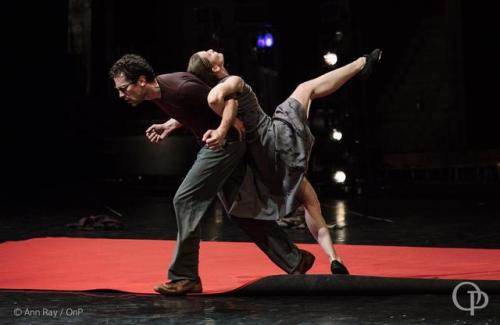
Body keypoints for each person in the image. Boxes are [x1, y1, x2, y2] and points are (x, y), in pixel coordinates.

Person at [108, 54, 316, 296]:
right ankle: (295, 260)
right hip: (221, 143)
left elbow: (229, 102)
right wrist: (169, 125)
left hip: (223, 144)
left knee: (185, 200)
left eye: (124, 88)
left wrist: (223, 127)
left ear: (141, 80)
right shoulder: (161, 92)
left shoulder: (180, 88)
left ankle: (185, 277)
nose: (121, 95)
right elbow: (195, 109)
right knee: (239, 210)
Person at [187, 48, 382, 274]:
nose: (212, 49)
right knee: (305, 88)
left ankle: (334, 258)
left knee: (310, 200)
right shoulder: (232, 81)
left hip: (264, 163)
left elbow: (204, 103)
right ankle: (361, 63)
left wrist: (175, 124)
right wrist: (225, 126)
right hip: (275, 139)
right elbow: (213, 99)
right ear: (215, 68)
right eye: (208, 54)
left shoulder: (218, 89)